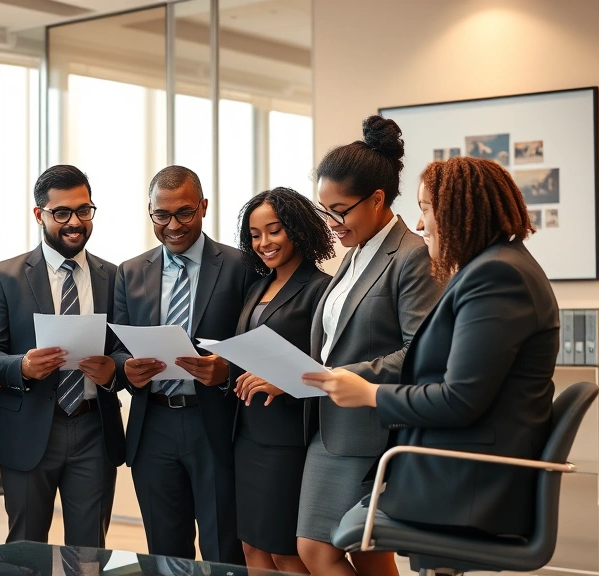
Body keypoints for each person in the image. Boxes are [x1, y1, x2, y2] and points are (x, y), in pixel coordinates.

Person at [305, 156, 559, 538]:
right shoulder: (494, 267)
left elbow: (459, 400)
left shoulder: (496, 275)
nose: (420, 224)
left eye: (425, 210)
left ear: (460, 210)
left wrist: (371, 393)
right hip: (456, 466)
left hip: (469, 481)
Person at [295, 116, 442, 576]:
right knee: (368, 551)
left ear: (377, 199)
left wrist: (346, 377)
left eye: (340, 210)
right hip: (333, 424)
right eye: (325, 210)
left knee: (317, 550)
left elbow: (421, 354)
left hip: (370, 430)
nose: (332, 223)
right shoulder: (357, 253)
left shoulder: (411, 254)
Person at [112, 165, 258, 564]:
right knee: (164, 552)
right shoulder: (129, 272)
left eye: (184, 213)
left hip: (213, 423)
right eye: (162, 215)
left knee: (222, 550)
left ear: (204, 207)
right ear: (150, 212)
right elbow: (115, 347)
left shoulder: (240, 266)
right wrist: (126, 368)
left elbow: (257, 343)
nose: (173, 226)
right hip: (152, 426)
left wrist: (226, 371)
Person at [0, 164, 124, 547]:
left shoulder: (114, 276)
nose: (75, 222)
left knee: (89, 552)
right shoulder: (5, 277)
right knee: (24, 551)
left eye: (84, 210)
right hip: (28, 427)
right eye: (62, 213)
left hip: (94, 427)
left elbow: (124, 351)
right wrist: (22, 365)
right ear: (39, 215)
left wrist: (113, 371)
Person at [230, 187, 334, 573]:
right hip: (247, 433)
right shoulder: (258, 286)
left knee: (285, 553)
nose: (264, 242)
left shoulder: (322, 288)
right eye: (255, 235)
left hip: (288, 438)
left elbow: (332, 365)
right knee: (253, 549)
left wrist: (283, 379)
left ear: (297, 228)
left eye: (274, 231)